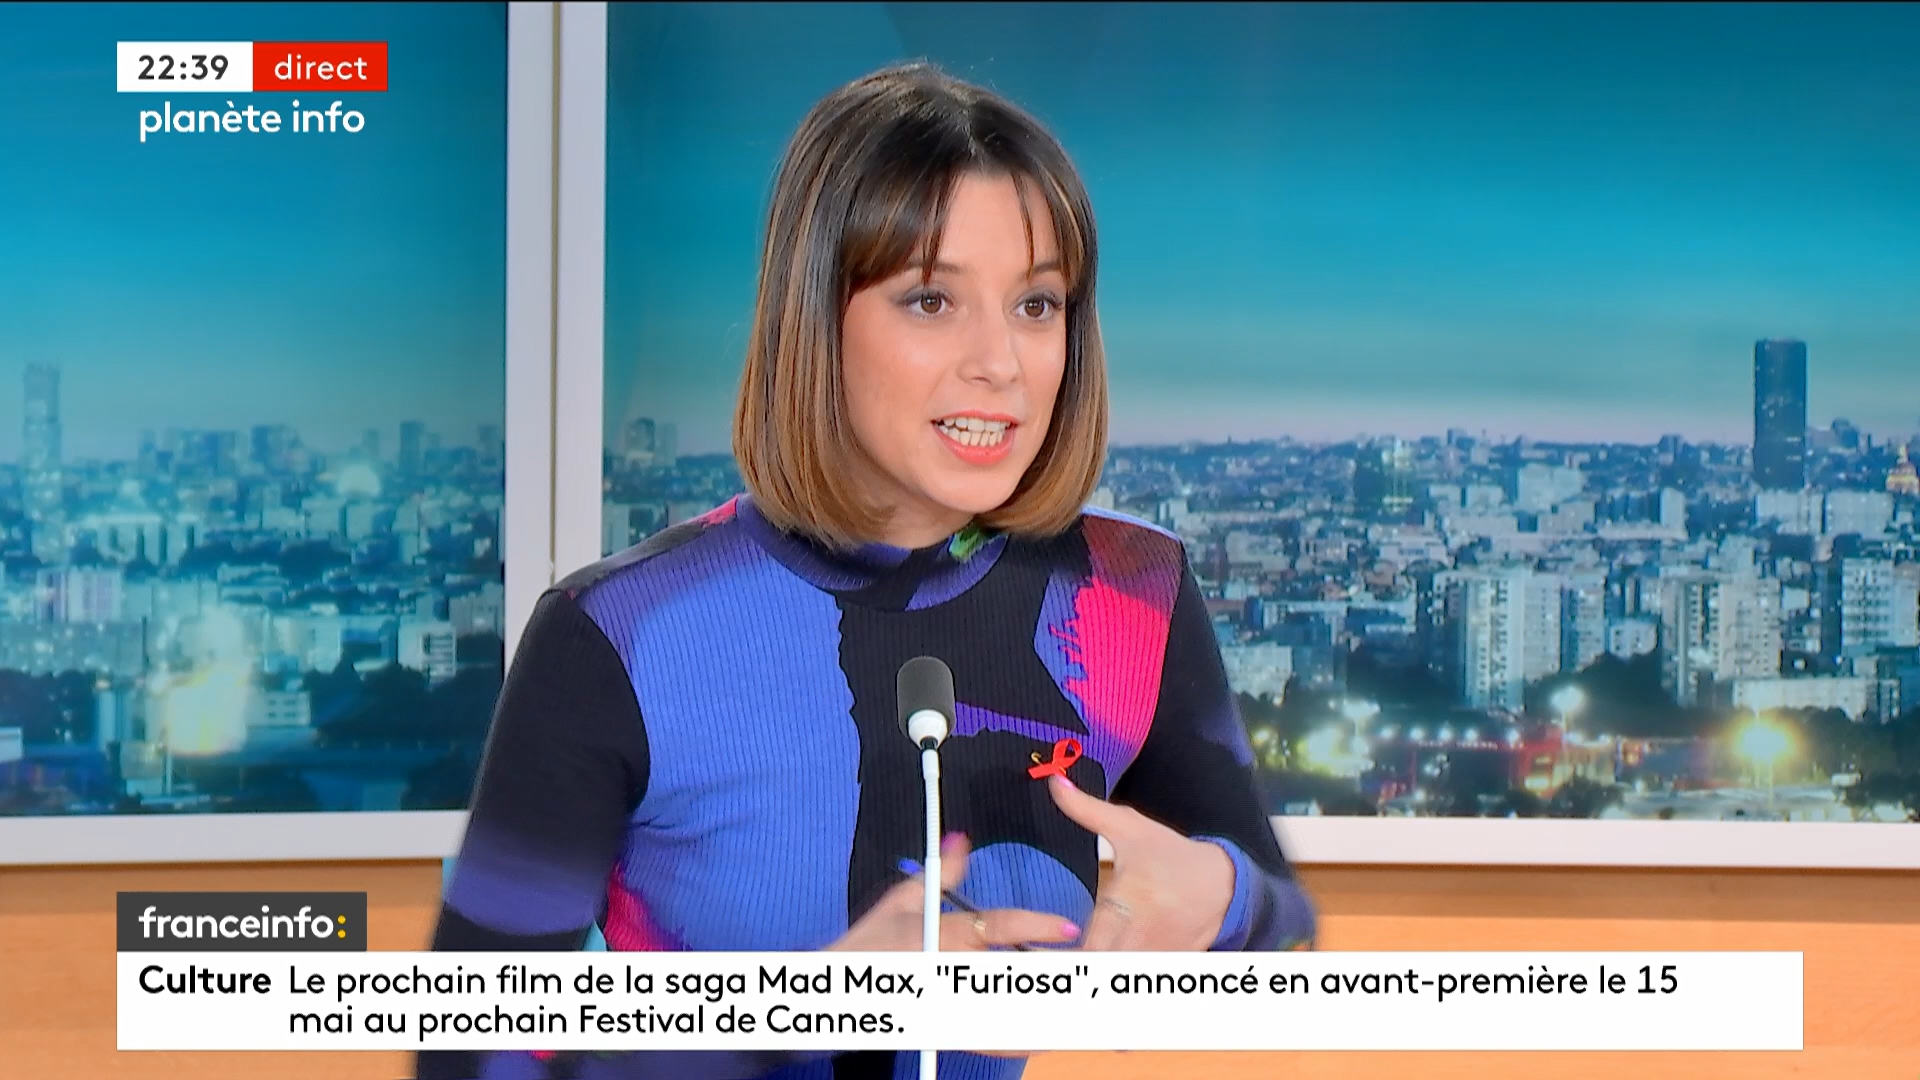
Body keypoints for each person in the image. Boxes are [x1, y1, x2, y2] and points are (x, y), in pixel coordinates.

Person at [418, 60, 1315, 1080]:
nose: (1001, 364)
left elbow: (1283, 932)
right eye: (931, 300)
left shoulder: (1129, 590)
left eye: (1037, 304)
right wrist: (804, 1010)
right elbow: (467, 1061)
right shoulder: (619, 632)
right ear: (816, 320)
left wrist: (1228, 902)